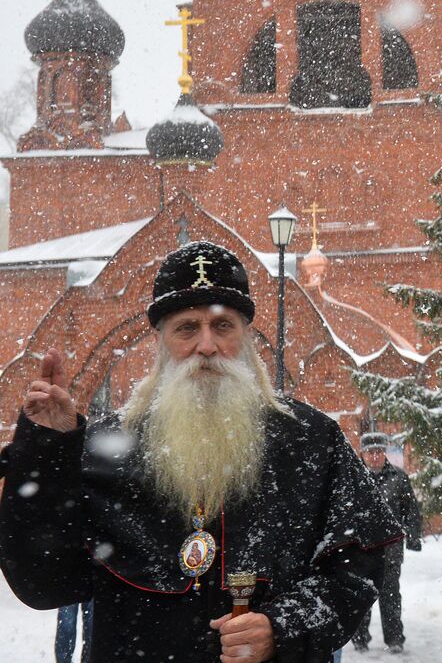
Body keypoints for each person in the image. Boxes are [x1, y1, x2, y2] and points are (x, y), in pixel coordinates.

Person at [0, 240, 402, 662]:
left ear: (245, 335)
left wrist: (283, 627)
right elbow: (45, 582)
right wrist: (49, 449)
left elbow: (358, 567)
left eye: (223, 326)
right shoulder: (103, 447)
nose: (206, 346)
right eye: (187, 328)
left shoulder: (310, 440)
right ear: (161, 339)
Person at [351, 431, 422, 654]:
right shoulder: (353, 477)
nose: (375, 456)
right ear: (362, 453)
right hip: (361, 549)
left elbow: (411, 511)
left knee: (391, 596)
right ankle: (359, 638)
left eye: (379, 452)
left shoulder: (398, 478)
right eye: (370, 452)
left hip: (390, 549)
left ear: (385, 453)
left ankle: (394, 638)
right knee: (362, 596)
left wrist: (413, 536)